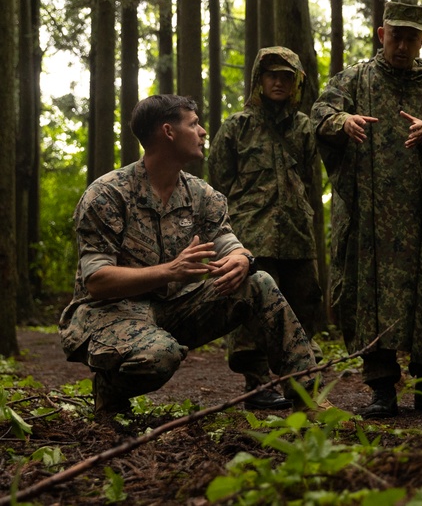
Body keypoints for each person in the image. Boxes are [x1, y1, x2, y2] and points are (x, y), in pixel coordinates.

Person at [58, 95, 321, 417]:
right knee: (159, 357)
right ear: (168, 132)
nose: (202, 132)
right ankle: (110, 392)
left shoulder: (202, 194)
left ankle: (309, 401)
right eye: (193, 123)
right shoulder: (108, 194)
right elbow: (97, 282)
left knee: (259, 282)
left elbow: (229, 241)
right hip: (109, 313)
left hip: (174, 309)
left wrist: (241, 258)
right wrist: (169, 271)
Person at [312, 2, 422, 419]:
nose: (402, 44)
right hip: (368, 216)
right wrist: (342, 121)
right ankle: (382, 389)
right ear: (381, 35)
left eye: (411, 37)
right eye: (395, 35)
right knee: (367, 295)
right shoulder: (354, 78)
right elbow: (319, 113)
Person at [208, 46, 324, 410]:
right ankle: (256, 386)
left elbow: (309, 178)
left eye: (287, 76)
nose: (279, 82)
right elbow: (219, 184)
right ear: (259, 80)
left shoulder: (304, 127)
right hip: (251, 236)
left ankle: (300, 385)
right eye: (272, 75)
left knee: (303, 308)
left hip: (296, 234)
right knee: (252, 312)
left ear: (296, 83)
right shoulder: (236, 127)